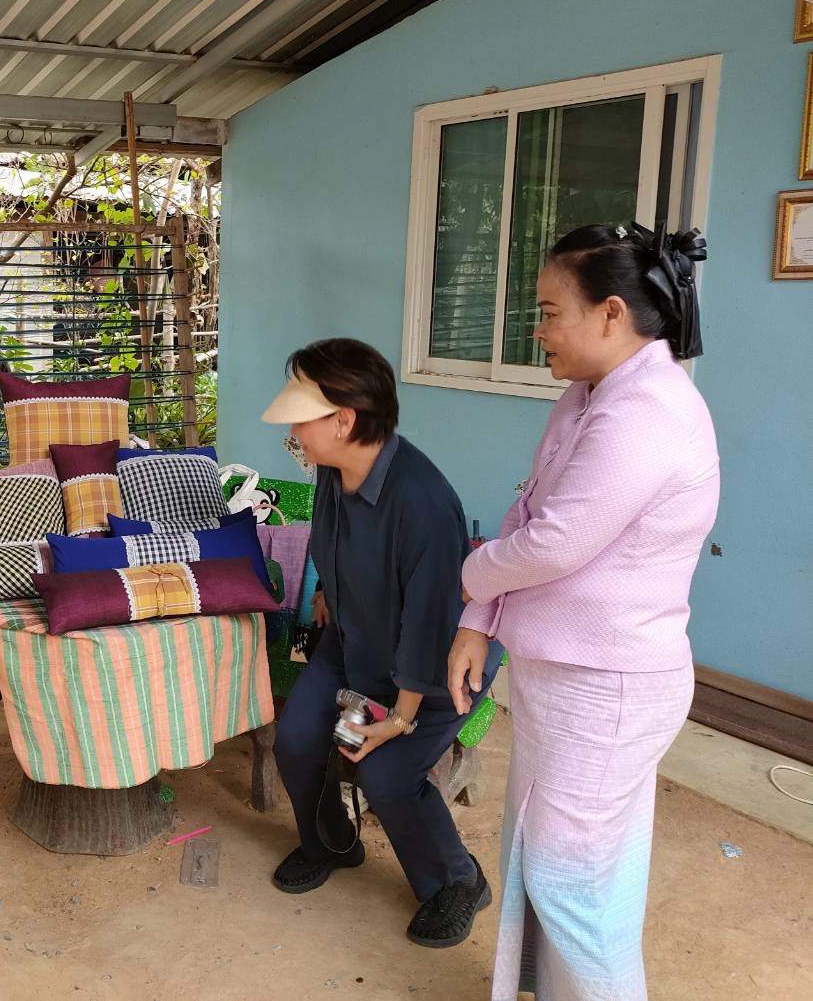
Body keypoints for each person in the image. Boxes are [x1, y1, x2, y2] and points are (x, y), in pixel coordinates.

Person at [448, 224, 719, 1000]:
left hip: (608, 689)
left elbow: (553, 543)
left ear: (608, 313)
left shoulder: (649, 413)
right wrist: (478, 617)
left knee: (570, 885)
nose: (538, 332)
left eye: (547, 311)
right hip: (566, 679)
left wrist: (466, 573)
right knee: (570, 869)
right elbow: (526, 510)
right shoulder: (589, 395)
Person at [263, 338, 503, 947]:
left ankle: (457, 882)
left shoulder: (421, 502)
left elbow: (429, 626)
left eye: (303, 414)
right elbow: (335, 548)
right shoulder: (333, 469)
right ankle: (332, 843)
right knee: (295, 740)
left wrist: (399, 719)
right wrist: (329, 595)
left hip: (433, 670)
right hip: (354, 644)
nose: (292, 426)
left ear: (344, 420)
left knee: (388, 774)